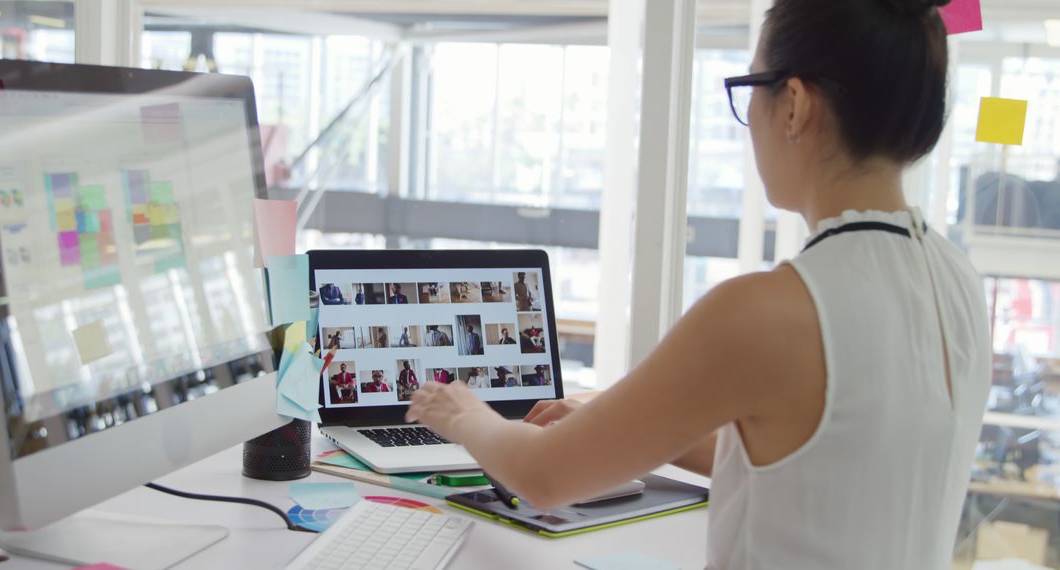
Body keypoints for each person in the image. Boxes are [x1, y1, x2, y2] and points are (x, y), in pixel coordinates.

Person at [405, 2, 990, 568]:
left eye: (749, 88)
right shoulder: (956, 279)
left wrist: (462, 412)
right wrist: (618, 424)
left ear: (793, 104)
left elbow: (545, 477)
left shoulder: (768, 309)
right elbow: (827, 456)